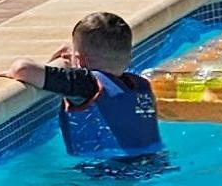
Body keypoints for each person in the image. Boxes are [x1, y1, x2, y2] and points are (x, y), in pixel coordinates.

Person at [10, 9, 166, 166]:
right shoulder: (140, 86)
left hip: (107, 172)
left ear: (80, 61)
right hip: (154, 163)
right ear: (129, 56)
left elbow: (23, 69)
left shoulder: (86, 85)